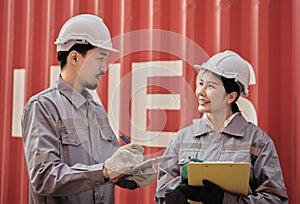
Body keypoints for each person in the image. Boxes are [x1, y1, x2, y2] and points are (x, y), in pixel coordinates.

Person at [21, 14, 155, 204]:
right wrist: (104, 171)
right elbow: (44, 177)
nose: (104, 67)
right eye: (100, 58)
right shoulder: (43, 107)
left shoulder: (97, 111)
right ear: (74, 57)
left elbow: (108, 169)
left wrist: (131, 174)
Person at [155, 50, 288, 203]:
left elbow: (276, 199)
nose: (200, 92)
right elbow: (161, 197)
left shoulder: (258, 142)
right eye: (200, 83)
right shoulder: (181, 139)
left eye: (211, 86)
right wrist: (182, 188)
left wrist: (223, 200)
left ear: (231, 96)